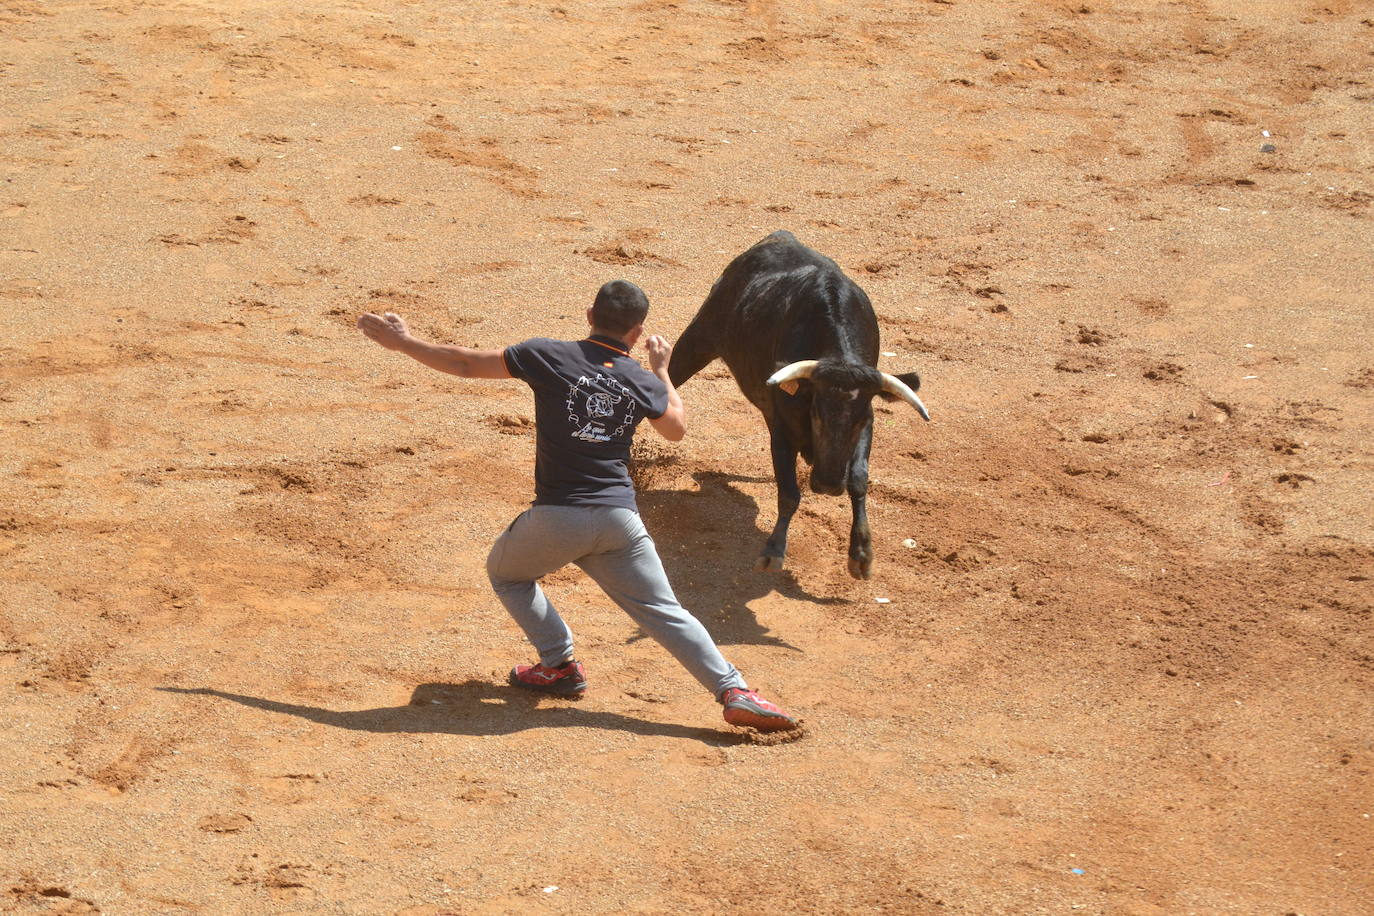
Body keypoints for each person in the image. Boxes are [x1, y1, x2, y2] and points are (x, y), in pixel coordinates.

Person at [356, 280, 797, 732]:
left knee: (507, 574)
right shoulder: (641, 379)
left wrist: (403, 342)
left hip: (558, 517)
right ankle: (734, 689)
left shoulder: (547, 355)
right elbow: (676, 429)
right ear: (637, 330)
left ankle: (559, 665)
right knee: (665, 611)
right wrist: (661, 369)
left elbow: (465, 363)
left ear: (590, 315)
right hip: (619, 521)